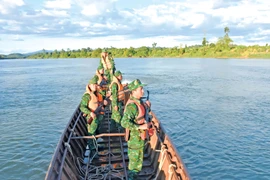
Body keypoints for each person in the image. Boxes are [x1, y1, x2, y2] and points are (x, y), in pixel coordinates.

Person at [121, 79, 152, 179]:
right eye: (140, 89)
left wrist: (147, 106)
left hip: (140, 138)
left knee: (138, 163)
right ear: (133, 91)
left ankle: (134, 176)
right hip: (134, 140)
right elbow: (124, 122)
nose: (143, 91)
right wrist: (139, 127)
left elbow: (142, 114)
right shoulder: (131, 106)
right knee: (134, 165)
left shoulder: (139, 102)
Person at [79, 76, 107, 149]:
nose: (95, 86)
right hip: (91, 117)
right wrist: (90, 112)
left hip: (97, 116)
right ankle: (93, 151)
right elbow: (82, 107)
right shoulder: (87, 95)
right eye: (93, 85)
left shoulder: (95, 94)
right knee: (91, 134)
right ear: (89, 86)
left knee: (96, 132)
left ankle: (95, 147)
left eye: (95, 84)